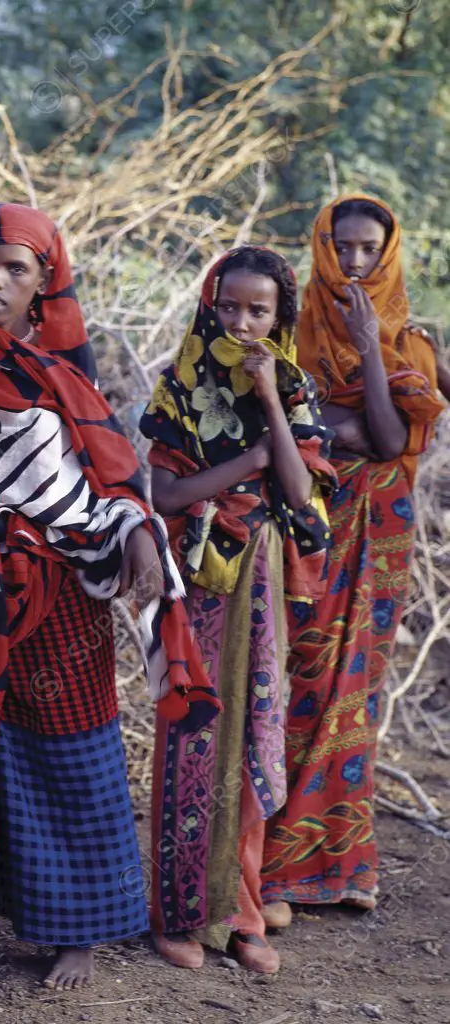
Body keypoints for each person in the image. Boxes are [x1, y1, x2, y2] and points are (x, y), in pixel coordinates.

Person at [0, 204, 211, 992]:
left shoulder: (62, 376)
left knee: (70, 747)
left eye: (16, 269)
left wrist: (135, 529)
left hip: (61, 592)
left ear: (45, 284)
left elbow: (112, 477)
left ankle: (79, 931)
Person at [140, 245, 335, 974]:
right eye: (230, 307)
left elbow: (303, 494)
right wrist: (245, 463)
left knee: (255, 736)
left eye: (259, 310)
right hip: (197, 574)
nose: (243, 323)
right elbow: (165, 495)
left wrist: (270, 407)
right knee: (193, 736)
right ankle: (181, 913)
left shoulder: (293, 386)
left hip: (262, 577)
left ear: (281, 316)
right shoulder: (181, 385)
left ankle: (244, 913)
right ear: (209, 305)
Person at [260, 196, 445, 921]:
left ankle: (345, 867)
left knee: (355, 699)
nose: (356, 263)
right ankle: (275, 867)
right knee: (299, 684)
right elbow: (311, 427)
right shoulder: (289, 330)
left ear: (390, 252)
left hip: (382, 543)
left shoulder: (413, 345)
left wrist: (371, 348)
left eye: (370, 249)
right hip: (309, 532)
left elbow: (389, 438)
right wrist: (351, 424)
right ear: (323, 248)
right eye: (344, 248)